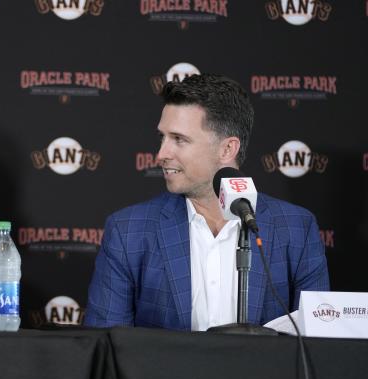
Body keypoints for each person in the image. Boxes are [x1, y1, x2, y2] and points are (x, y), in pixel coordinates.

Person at [84, 74, 329, 330]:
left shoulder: (297, 228)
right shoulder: (128, 231)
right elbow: (106, 346)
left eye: (179, 139)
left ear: (227, 149)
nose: (161, 154)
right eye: (162, 138)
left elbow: (316, 345)